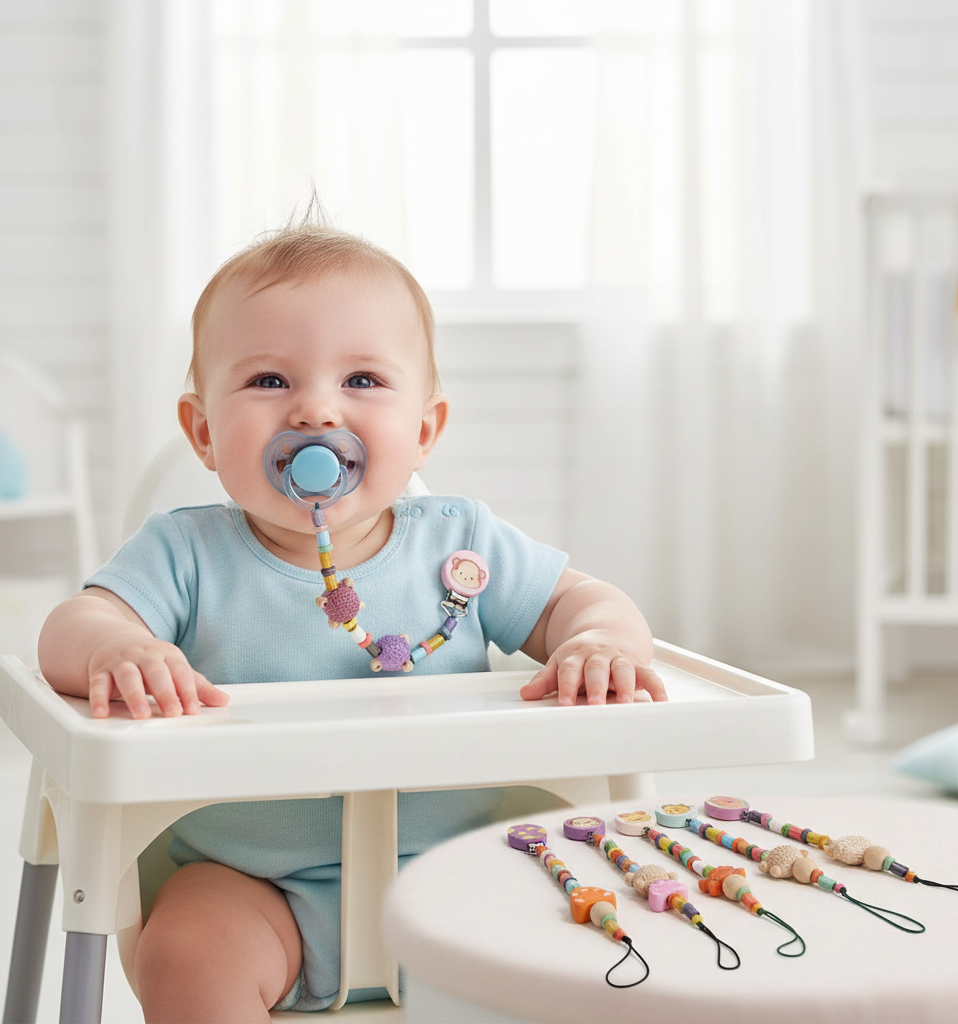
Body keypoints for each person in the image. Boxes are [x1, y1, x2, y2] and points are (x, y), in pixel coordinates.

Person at [38, 211, 667, 1022]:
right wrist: (118, 647)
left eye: (362, 381)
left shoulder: (463, 545)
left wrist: (599, 641)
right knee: (185, 954)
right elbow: (70, 626)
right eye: (269, 381)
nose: (315, 412)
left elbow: (580, 599)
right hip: (250, 886)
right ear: (201, 431)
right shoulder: (183, 553)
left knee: (586, 928)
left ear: (424, 428)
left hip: (458, 873)